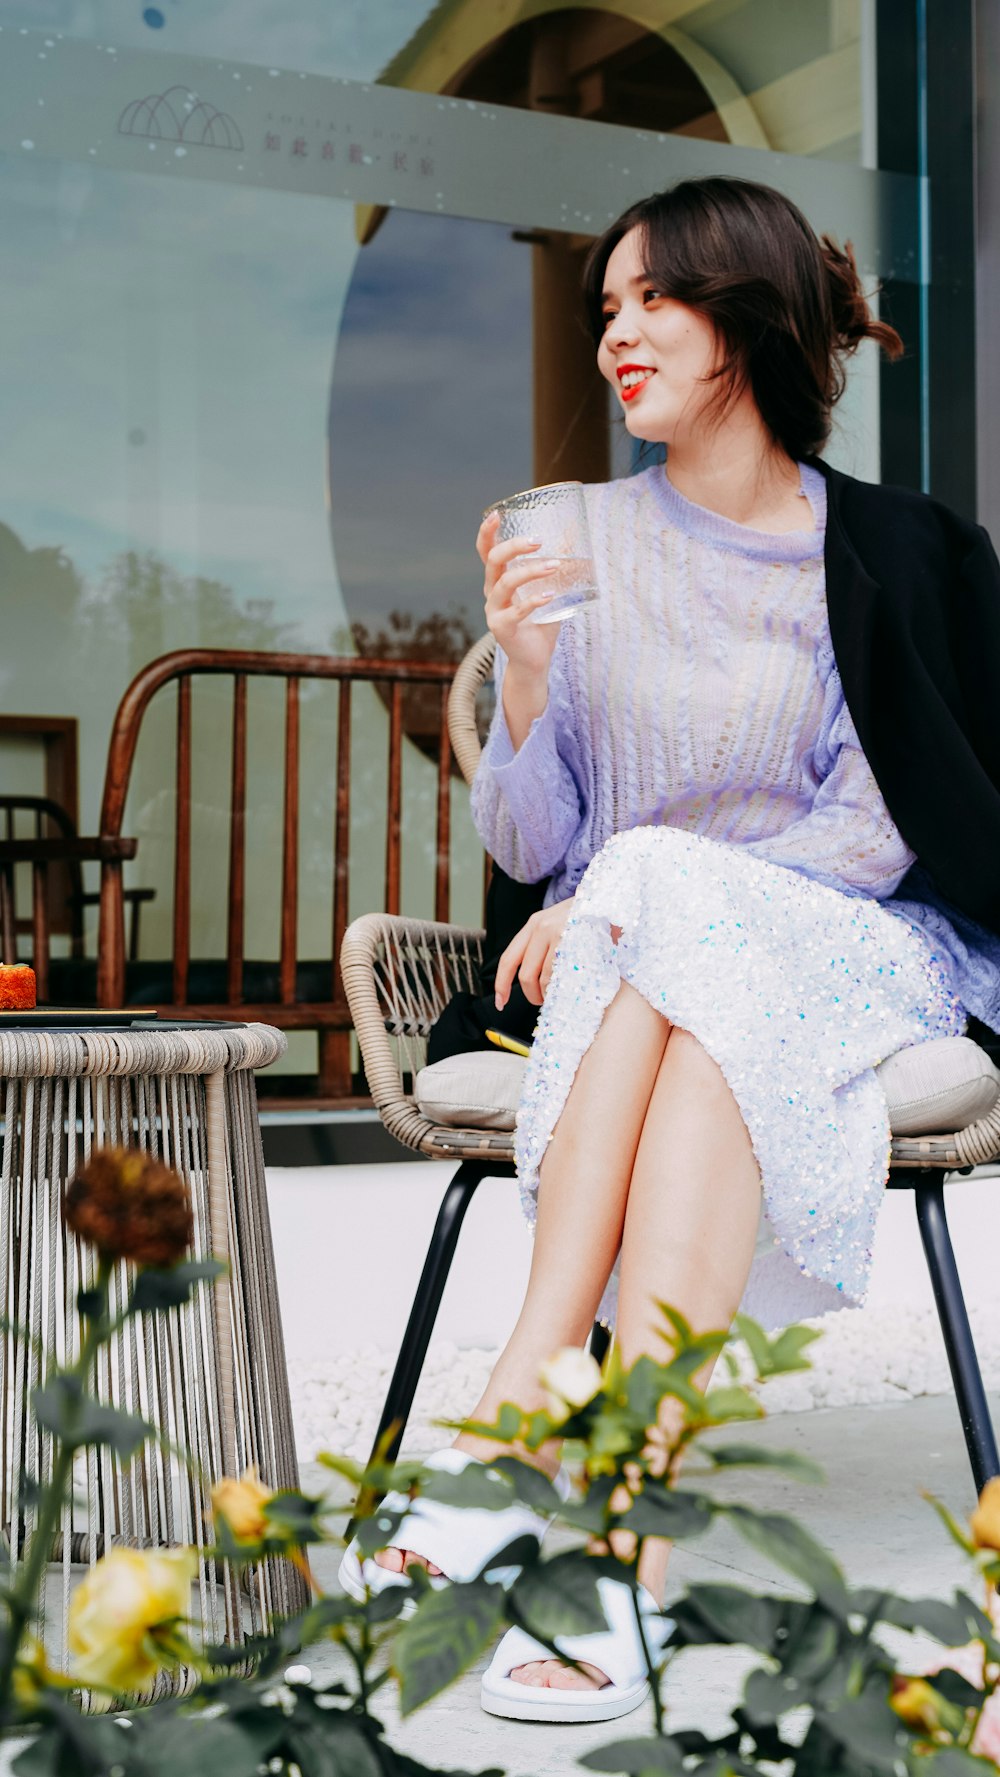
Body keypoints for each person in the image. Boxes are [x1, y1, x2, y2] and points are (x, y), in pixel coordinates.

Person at [341, 175, 1000, 1723]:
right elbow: (520, 844)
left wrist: (638, 883)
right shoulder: (555, 537)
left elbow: (878, 827)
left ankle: (517, 1406)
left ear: (750, 319)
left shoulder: (895, 550)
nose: (617, 333)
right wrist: (529, 683)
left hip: (860, 947)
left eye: (657, 300)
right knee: (701, 1006)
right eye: (607, 307)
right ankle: (616, 1553)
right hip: (650, 992)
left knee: (666, 910)